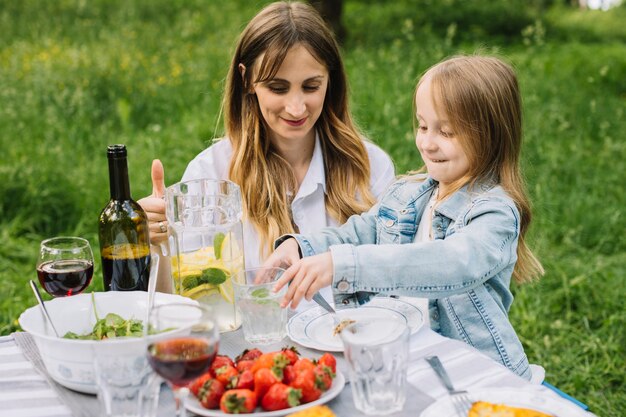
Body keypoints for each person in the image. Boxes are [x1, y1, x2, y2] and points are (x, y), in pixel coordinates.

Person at [267, 55, 544, 379]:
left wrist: (345, 265)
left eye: (447, 132)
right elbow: (360, 231)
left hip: (480, 377)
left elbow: (450, 263)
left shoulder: (495, 213)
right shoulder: (408, 194)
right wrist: (304, 247)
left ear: (490, 135)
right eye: (423, 126)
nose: (427, 142)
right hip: (409, 367)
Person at [138, 1, 395, 310]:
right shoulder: (210, 174)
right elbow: (182, 306)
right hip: (249, 354)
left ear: (331, 80)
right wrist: (159, 245)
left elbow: (392, 285)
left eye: (311, 86)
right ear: (247, 80)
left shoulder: (371, 167)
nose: (296, 108)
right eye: (278, 88)